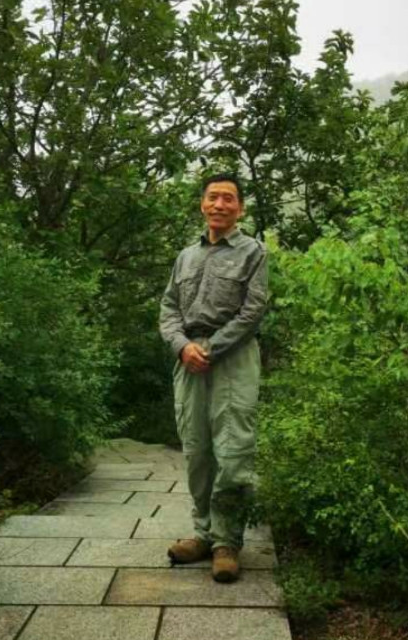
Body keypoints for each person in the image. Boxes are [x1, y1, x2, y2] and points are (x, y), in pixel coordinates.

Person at [158, 173, 268, 583]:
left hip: (233, 357)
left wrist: (211, 348)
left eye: (228, 198)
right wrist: (182, 346)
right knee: (197, 449)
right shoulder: (186, 256)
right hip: (188, 359)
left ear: (240, 208)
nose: (219, 204)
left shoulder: (253, 252)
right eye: (212, 197)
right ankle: (203, 534)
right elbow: (168, 308)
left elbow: (253, 310)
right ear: (202, 204)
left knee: (234, 449)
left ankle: (227, 543)